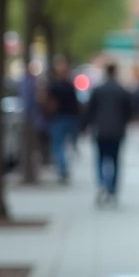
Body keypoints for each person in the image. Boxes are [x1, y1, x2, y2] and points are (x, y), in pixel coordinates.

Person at [82, 61, 134, 206]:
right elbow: (129, 111)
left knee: (100, 159)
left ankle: (102, 184)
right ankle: (112, 189)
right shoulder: (122, 90)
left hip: (101, 130)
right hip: (117, 131)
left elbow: (90, 110)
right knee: (115, 160)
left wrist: (85, 126)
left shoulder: (98, 90)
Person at [42, 56, 81, 184]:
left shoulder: (53, 86)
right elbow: (76, 104)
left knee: (58, 146)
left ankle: (62, 169)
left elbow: (47, 101)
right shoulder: (70, 86)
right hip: (69, 118)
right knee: (65, 145)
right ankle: (63, 167)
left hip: (58, 118)